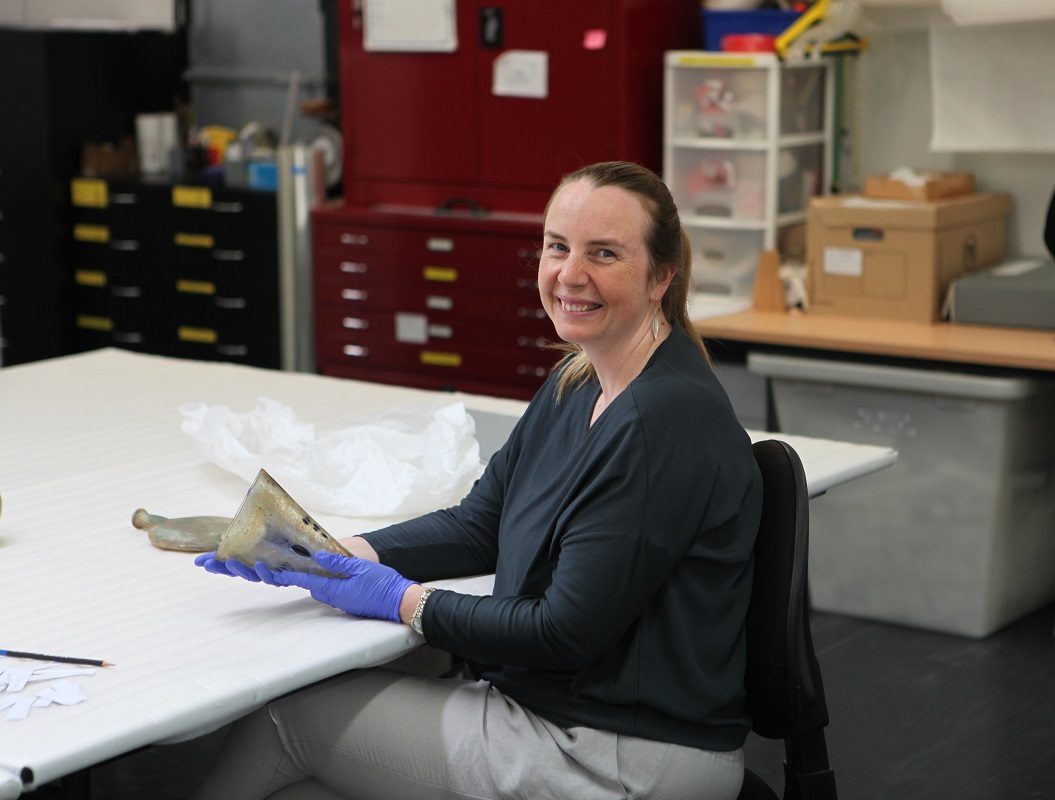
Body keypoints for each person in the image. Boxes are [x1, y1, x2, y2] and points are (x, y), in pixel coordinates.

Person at [192, 161, 763, 800]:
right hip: (568, 714)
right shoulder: (581, 379)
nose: (570, 275)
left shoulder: (664, 420)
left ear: (661, 277)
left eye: (604, 254)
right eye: (557, 247)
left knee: (282, 719)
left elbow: (562, 631)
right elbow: (481, 525)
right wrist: (341, 554)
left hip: (619, 753)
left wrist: (402, 600)